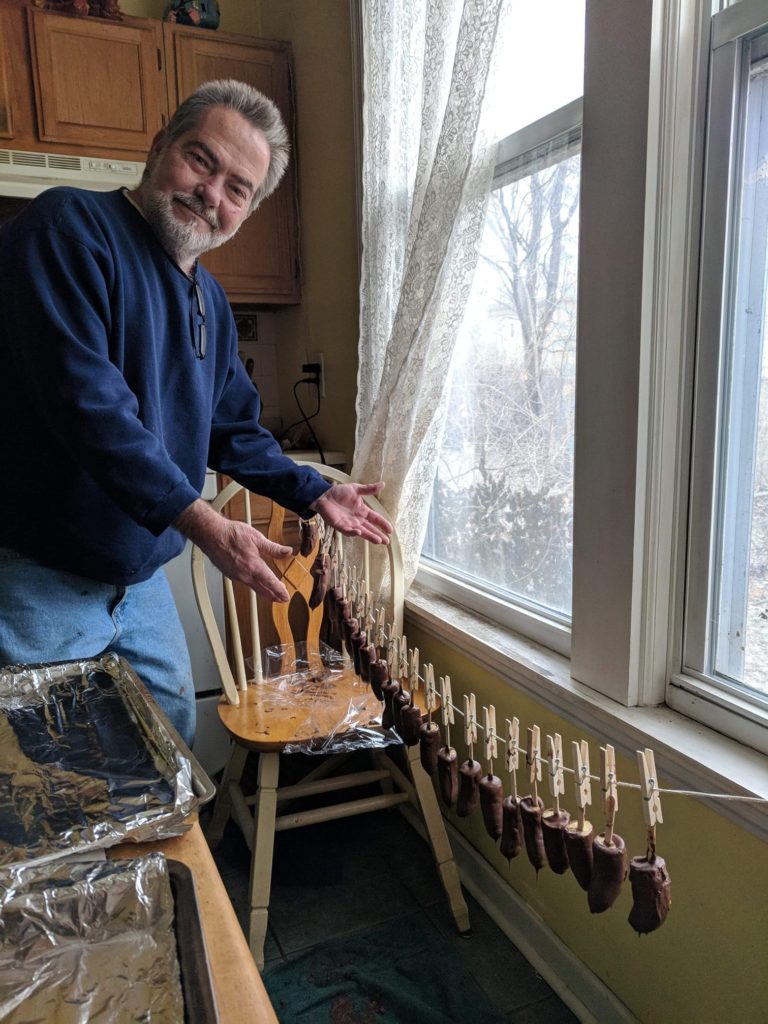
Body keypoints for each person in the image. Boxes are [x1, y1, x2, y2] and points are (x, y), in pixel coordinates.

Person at [0, 78, 390, 746]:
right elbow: (91, 409)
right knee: (52, 777)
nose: (212, 194)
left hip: (141, 579)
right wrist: (205, 524)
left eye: (238, 188)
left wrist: (315, 489)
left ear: (248, 210)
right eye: (201, 161)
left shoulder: (207, 296)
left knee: (167, 744)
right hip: (40, 577)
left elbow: (232, 428)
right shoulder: (67, 230)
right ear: (159, 149)